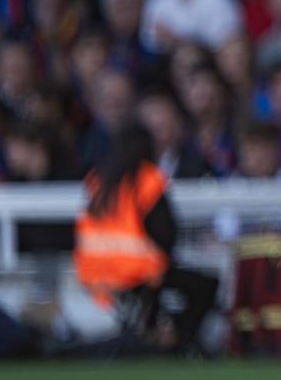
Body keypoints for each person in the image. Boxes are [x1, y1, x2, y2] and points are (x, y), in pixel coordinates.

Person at [73, 123, 219, 354]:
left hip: (94, 275)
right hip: (136, 273)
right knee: (205, 285)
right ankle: (175, 340)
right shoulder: (147, 178)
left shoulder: (97, 179)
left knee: (159, 283)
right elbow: (166, 234)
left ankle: (150, 333)